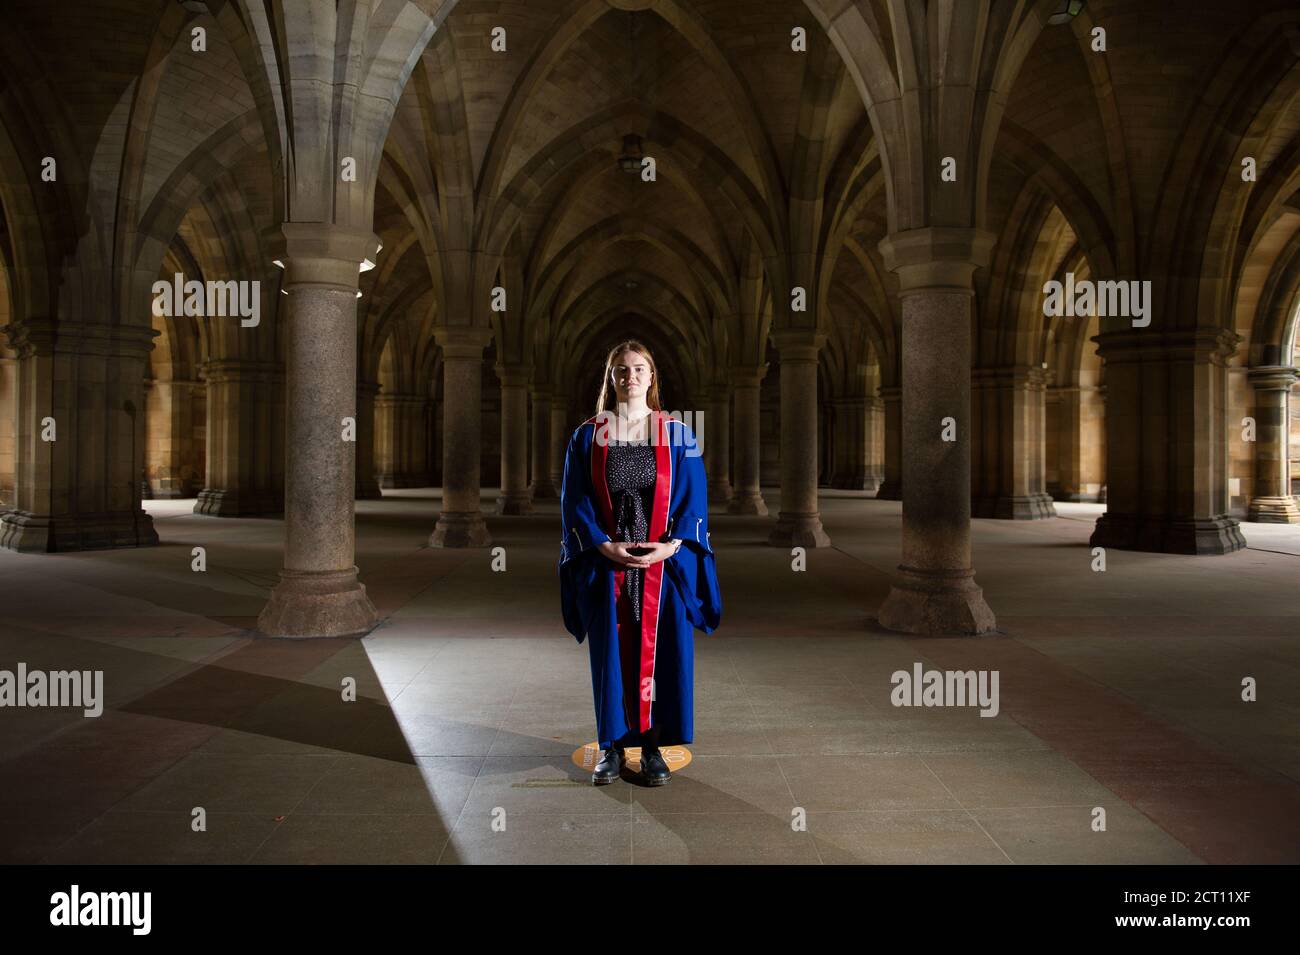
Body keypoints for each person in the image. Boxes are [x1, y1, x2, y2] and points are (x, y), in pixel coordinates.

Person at [558, 341, 722, 786]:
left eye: (639, 368)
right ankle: (611, 747)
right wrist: (600, 544)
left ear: (652, 377)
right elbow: (575, 501)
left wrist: (672, 546)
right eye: (621, 369)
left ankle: (651, 747)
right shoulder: (588, 435)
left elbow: (694, 499)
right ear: (610, 378)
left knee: (662, 651)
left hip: (661, 566)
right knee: (611, 653)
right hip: (607, 563)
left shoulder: (678, 434)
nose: (630, 376)